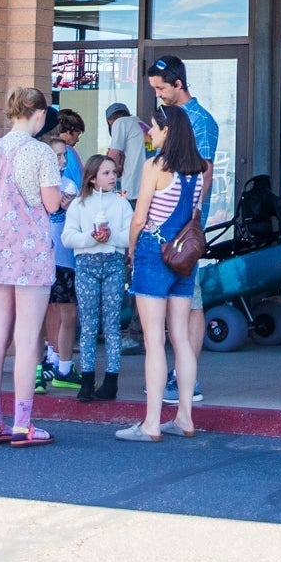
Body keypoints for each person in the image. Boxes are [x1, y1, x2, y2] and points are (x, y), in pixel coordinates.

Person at [0, 85, 67, 447]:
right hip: (31, 254)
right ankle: (23, 423)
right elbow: (51, 204)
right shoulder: (41, 153)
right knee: (27, 338)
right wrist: (62, 196)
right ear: (40, 114)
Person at [116, 103, 208, 442]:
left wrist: (130, 248)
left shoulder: (156, 166)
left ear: (167, 130)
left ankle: (151, 424)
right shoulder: (198, 170)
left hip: (154, 253)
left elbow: (139, 217)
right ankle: (184, 417)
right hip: (184, 257)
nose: (150, 134)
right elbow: (194, 212)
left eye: (153, 128)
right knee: (181, 338)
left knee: (154, 341)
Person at [148, 55, 217, 403]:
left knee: (190, 303)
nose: (158, 95)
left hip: (182, 229)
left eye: (161, 88)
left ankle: (185, 378)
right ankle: (174, 374)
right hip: (163, 226)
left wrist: (191, 220)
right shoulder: (170, 117)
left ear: (178, 83)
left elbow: (204, 173)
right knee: (175, 302)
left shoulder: (200, 121)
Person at [62, 153, 132, 402]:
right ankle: (87, 379)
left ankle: (111, 380)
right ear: (92, 178)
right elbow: (67, 237)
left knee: (112, 324)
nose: (112, 177)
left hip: (113, 263)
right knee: (89, 324)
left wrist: (110, 237)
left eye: (114, 172)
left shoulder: (122, 204)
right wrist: (90, 238)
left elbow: (129, 236)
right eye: (106, 173)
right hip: (86, 264)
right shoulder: (79, 205)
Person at [39, 107, 86, 393]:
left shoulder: (68, 181)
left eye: (64, 157)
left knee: (65, 311)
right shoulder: (43, 183)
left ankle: (61, 364)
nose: (63, 159)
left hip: (65, 255)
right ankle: (49, 362)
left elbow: (75, 199)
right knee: (44, 310)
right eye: (58, 156)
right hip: (44, 254)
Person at [104, 102, 149, 197]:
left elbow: (113, 156)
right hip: (147, 189)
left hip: (132, 190)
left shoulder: (120, 122)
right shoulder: (142, 125)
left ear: (110, 122)